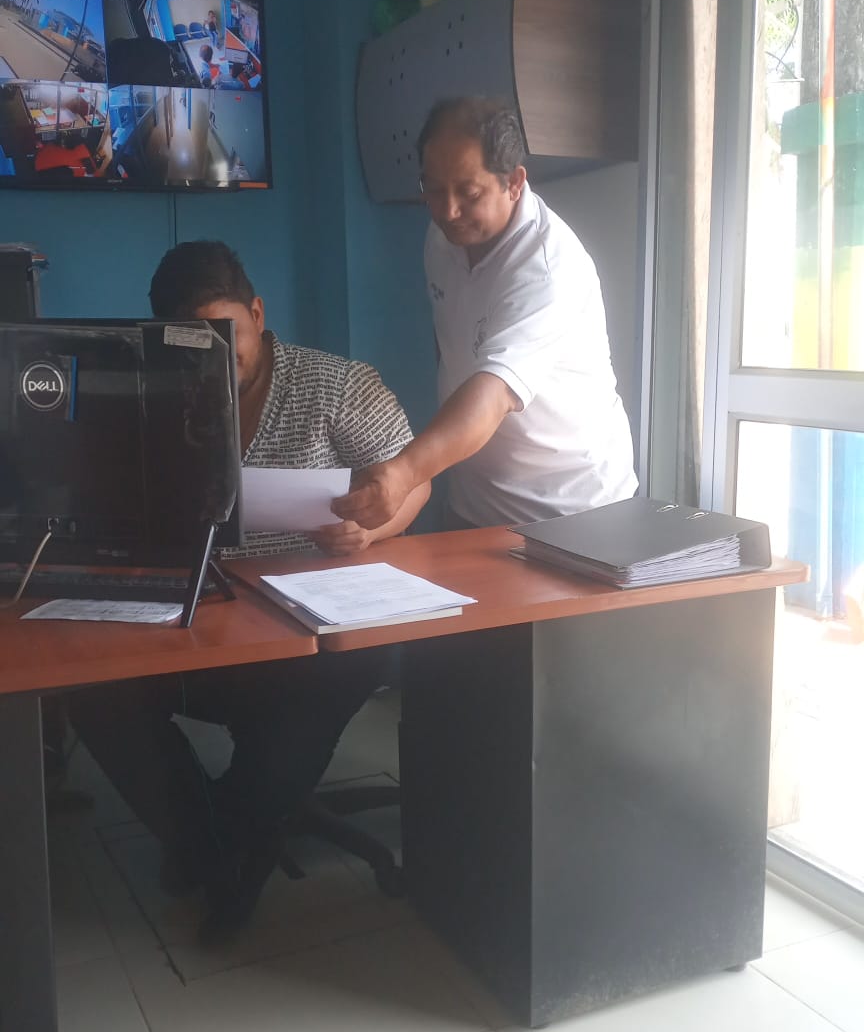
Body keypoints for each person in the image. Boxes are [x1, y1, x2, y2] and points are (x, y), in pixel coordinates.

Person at [69, 241, 429, 941]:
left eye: (228, 336)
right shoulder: (152, 393)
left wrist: (373, 530)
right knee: (92, 690)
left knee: (305, 710)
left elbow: (415, 481)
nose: (215, 357)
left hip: (315, 627)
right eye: (193, 343)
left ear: (258, 315)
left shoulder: (336, 385)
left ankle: (224, 852)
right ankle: (221, 843)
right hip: (204, 623)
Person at [335, 96, 637, 533]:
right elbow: (454, 349)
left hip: (572, 510)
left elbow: (494, 393)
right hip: (476, 501)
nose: (448, 210)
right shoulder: (443, 238)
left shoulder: (546, 268)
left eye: (469, 193)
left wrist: (402, 473)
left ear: (514, 182)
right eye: (433, 189)